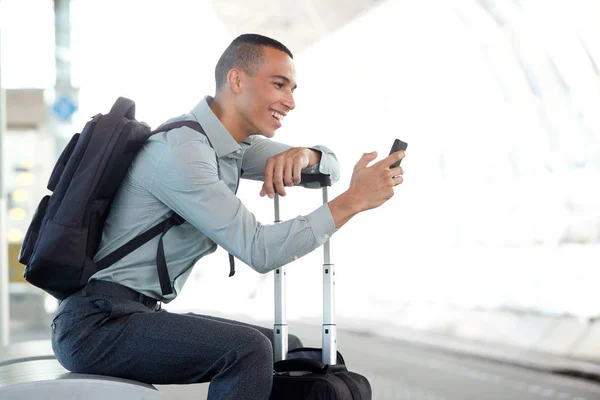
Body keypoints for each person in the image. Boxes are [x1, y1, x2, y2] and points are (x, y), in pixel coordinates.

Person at [51, 33, 405, 399]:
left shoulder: (230, 146)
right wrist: (353, 201)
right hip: (97, 325)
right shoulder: (183, 152)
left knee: (289, 346)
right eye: (279, 85)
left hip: (134, 314)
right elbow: (260, 250)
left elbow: (328, 169)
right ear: (237, 80)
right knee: (249, 350)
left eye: (293, 88)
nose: (291, 101)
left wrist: (306, 155)